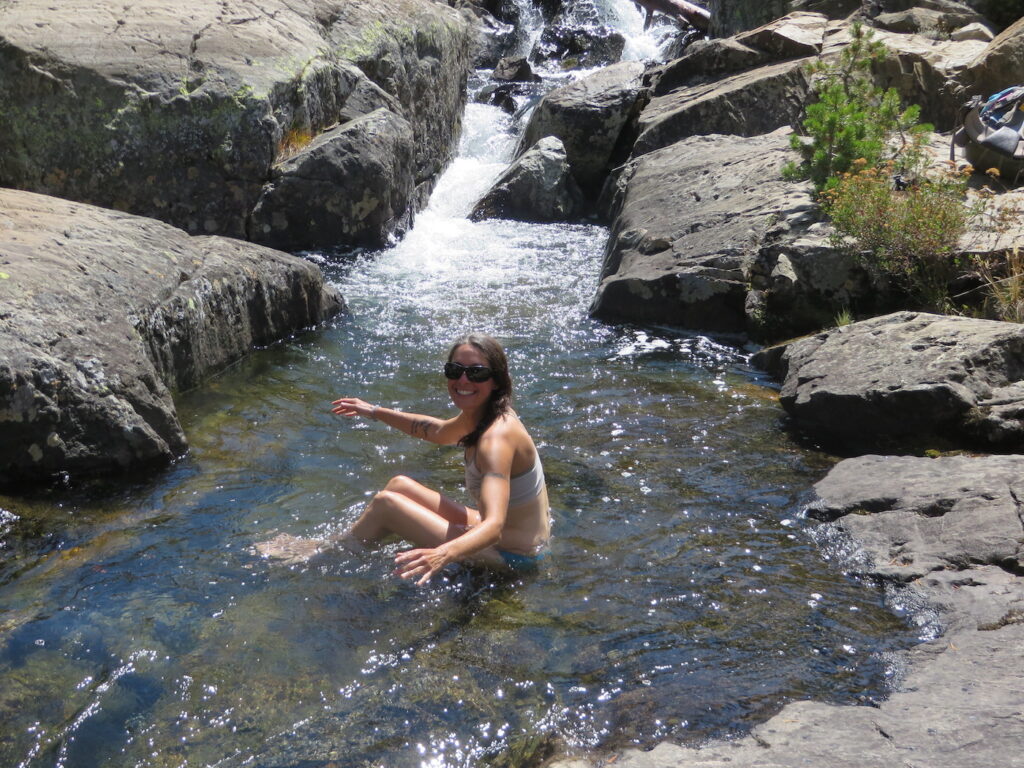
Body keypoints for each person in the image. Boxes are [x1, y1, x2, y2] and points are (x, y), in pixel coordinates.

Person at [329, 333, 551, 585]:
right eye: (454, 370)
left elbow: (494, 526)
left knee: (386, 505)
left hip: (513, 557)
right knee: (399, 485)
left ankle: (326, 557)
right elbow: (436, 431)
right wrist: (374, 411)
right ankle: (347, 543)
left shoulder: (496, 440)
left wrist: (442, 554)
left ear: (497, 381)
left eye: (476, 373)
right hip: (503, 534)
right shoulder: (482, 414)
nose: (463, 380)